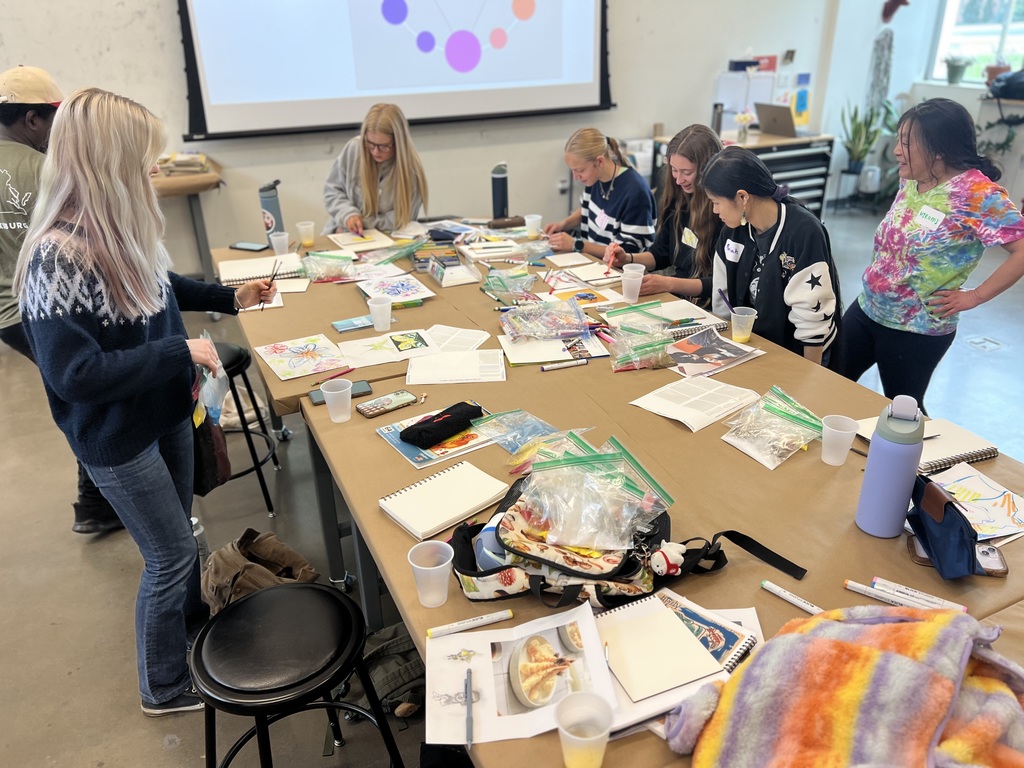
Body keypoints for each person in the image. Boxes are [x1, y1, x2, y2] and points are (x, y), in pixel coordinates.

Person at [14, 87, 276, 716]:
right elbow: (76, 374)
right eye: (144, 158)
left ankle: (191, 632)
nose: (154, 169)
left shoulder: (122, 225)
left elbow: (163, 285)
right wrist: (179, 352)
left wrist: (231, 297)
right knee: (169, 555)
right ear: (107, 160)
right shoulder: (57, 256)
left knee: (182, 527)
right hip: (117, 435)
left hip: (164, 412)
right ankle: (161, 686)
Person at [0, 65, 127, 534]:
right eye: (54, 117)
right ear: (33, 119)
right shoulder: (41, 169)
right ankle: (96, 503)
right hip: (43, 308)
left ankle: (93, 504)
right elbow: (94, 231)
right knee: (88, 392)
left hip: (6, 315)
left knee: (72, 392)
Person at [840, 98, 1024, 412]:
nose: (897, 149)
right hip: (869, 308)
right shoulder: (912, 180)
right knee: (828, 377)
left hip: (917, 328)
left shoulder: (979, 195)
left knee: (902, 412)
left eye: (906, 143)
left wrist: (975, 296)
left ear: (939, 149)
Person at [704, 146, 841, 366]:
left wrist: (813, 378)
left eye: (716, 202)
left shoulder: (803, 232)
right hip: (752, 348)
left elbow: (813, 324)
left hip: (797, 356)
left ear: (742, 197)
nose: (714, 211)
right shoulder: (733, 231)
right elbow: (723, 299)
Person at [603, 124, 723, 304]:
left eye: (687, 172)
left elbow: (720, 285)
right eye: (674, 170)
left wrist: (668, 283)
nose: (678, 179)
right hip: (678, 298)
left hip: (706, 306)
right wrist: (627, 258)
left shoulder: (723, 211)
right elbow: (661, 253)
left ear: (708, 169)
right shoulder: (678, 195)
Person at [544, 128, 656, 258]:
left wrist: (577, 244)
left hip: (617, 269)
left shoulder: (635, 192)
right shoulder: (594, 179)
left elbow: (626, 253)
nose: (576, 177)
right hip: (593, 260)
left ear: (600, 161)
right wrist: (563, 224)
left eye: (580, 170)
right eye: (573, 171)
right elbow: (587, 209)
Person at [323, 103, 428, 236]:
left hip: (389, 240)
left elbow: (403, 218)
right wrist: (348, 214)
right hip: (343, 234)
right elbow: (332, 191)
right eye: (370, 144)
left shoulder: (411, 170)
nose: (375, 152)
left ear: (399, 143)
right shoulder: (354, 150)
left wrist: (364, 222)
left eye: (384, 146)